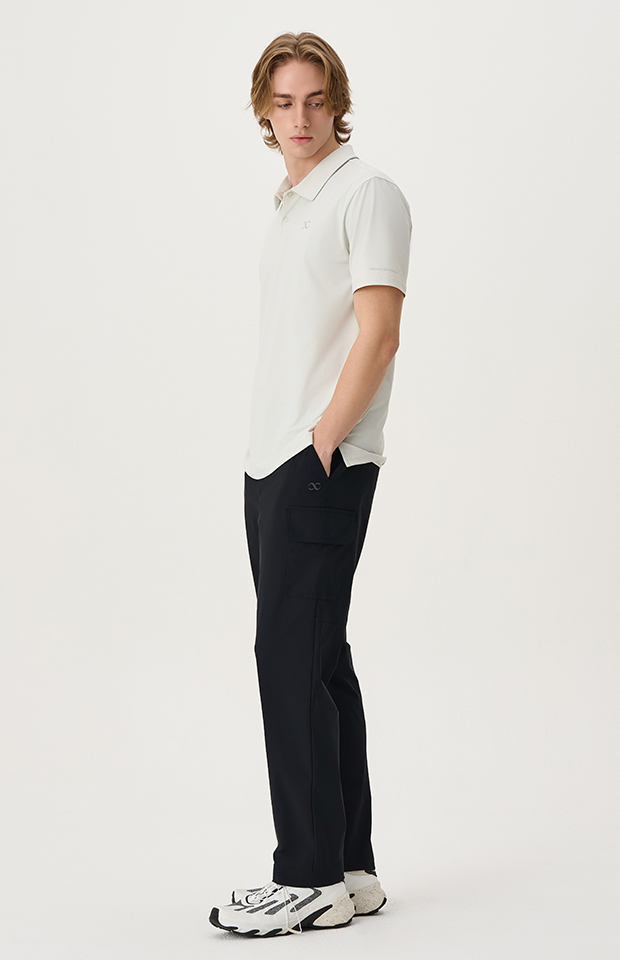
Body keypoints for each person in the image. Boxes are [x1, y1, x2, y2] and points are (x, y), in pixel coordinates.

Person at [209, 31, 412, 937]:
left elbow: (380, 334)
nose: (300, 117)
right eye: (284, 102)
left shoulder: (366, 193)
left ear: (339, 103)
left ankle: (307, 874)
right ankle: (350, 867)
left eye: (316, 100)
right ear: (264, 109)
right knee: (319, 660)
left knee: (288, 659)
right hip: (274, 461)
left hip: (316, 459)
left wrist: (325, 439)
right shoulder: (293, 203)